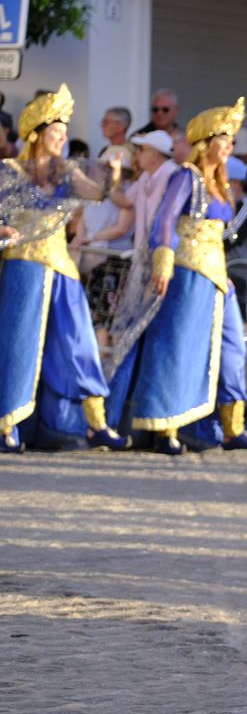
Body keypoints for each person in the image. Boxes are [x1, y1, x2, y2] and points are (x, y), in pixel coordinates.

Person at [103, 99, 247, 454]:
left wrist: (219, 267)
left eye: (233, 140)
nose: (230, 146)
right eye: (224, 138)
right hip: (185, 276)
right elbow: (165, 222)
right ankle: (164, 427)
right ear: (206, 142)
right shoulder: (186, 176)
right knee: (179, 348)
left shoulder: (223, 186)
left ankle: (232, 427)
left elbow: (220, 236)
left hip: (217, 278)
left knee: (234, 350)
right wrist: (162, 264)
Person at [0, 85, 126, 453]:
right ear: (37, 134)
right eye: (56, 131)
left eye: (65, 132)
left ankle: (96, 423)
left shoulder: (67, 172)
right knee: (18, 345)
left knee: (79, 342)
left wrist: (113, 176)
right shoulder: (10, 172)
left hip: (62, 268)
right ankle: (7, 425)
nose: (63, 138)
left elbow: (97, 193)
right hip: (23, 268)